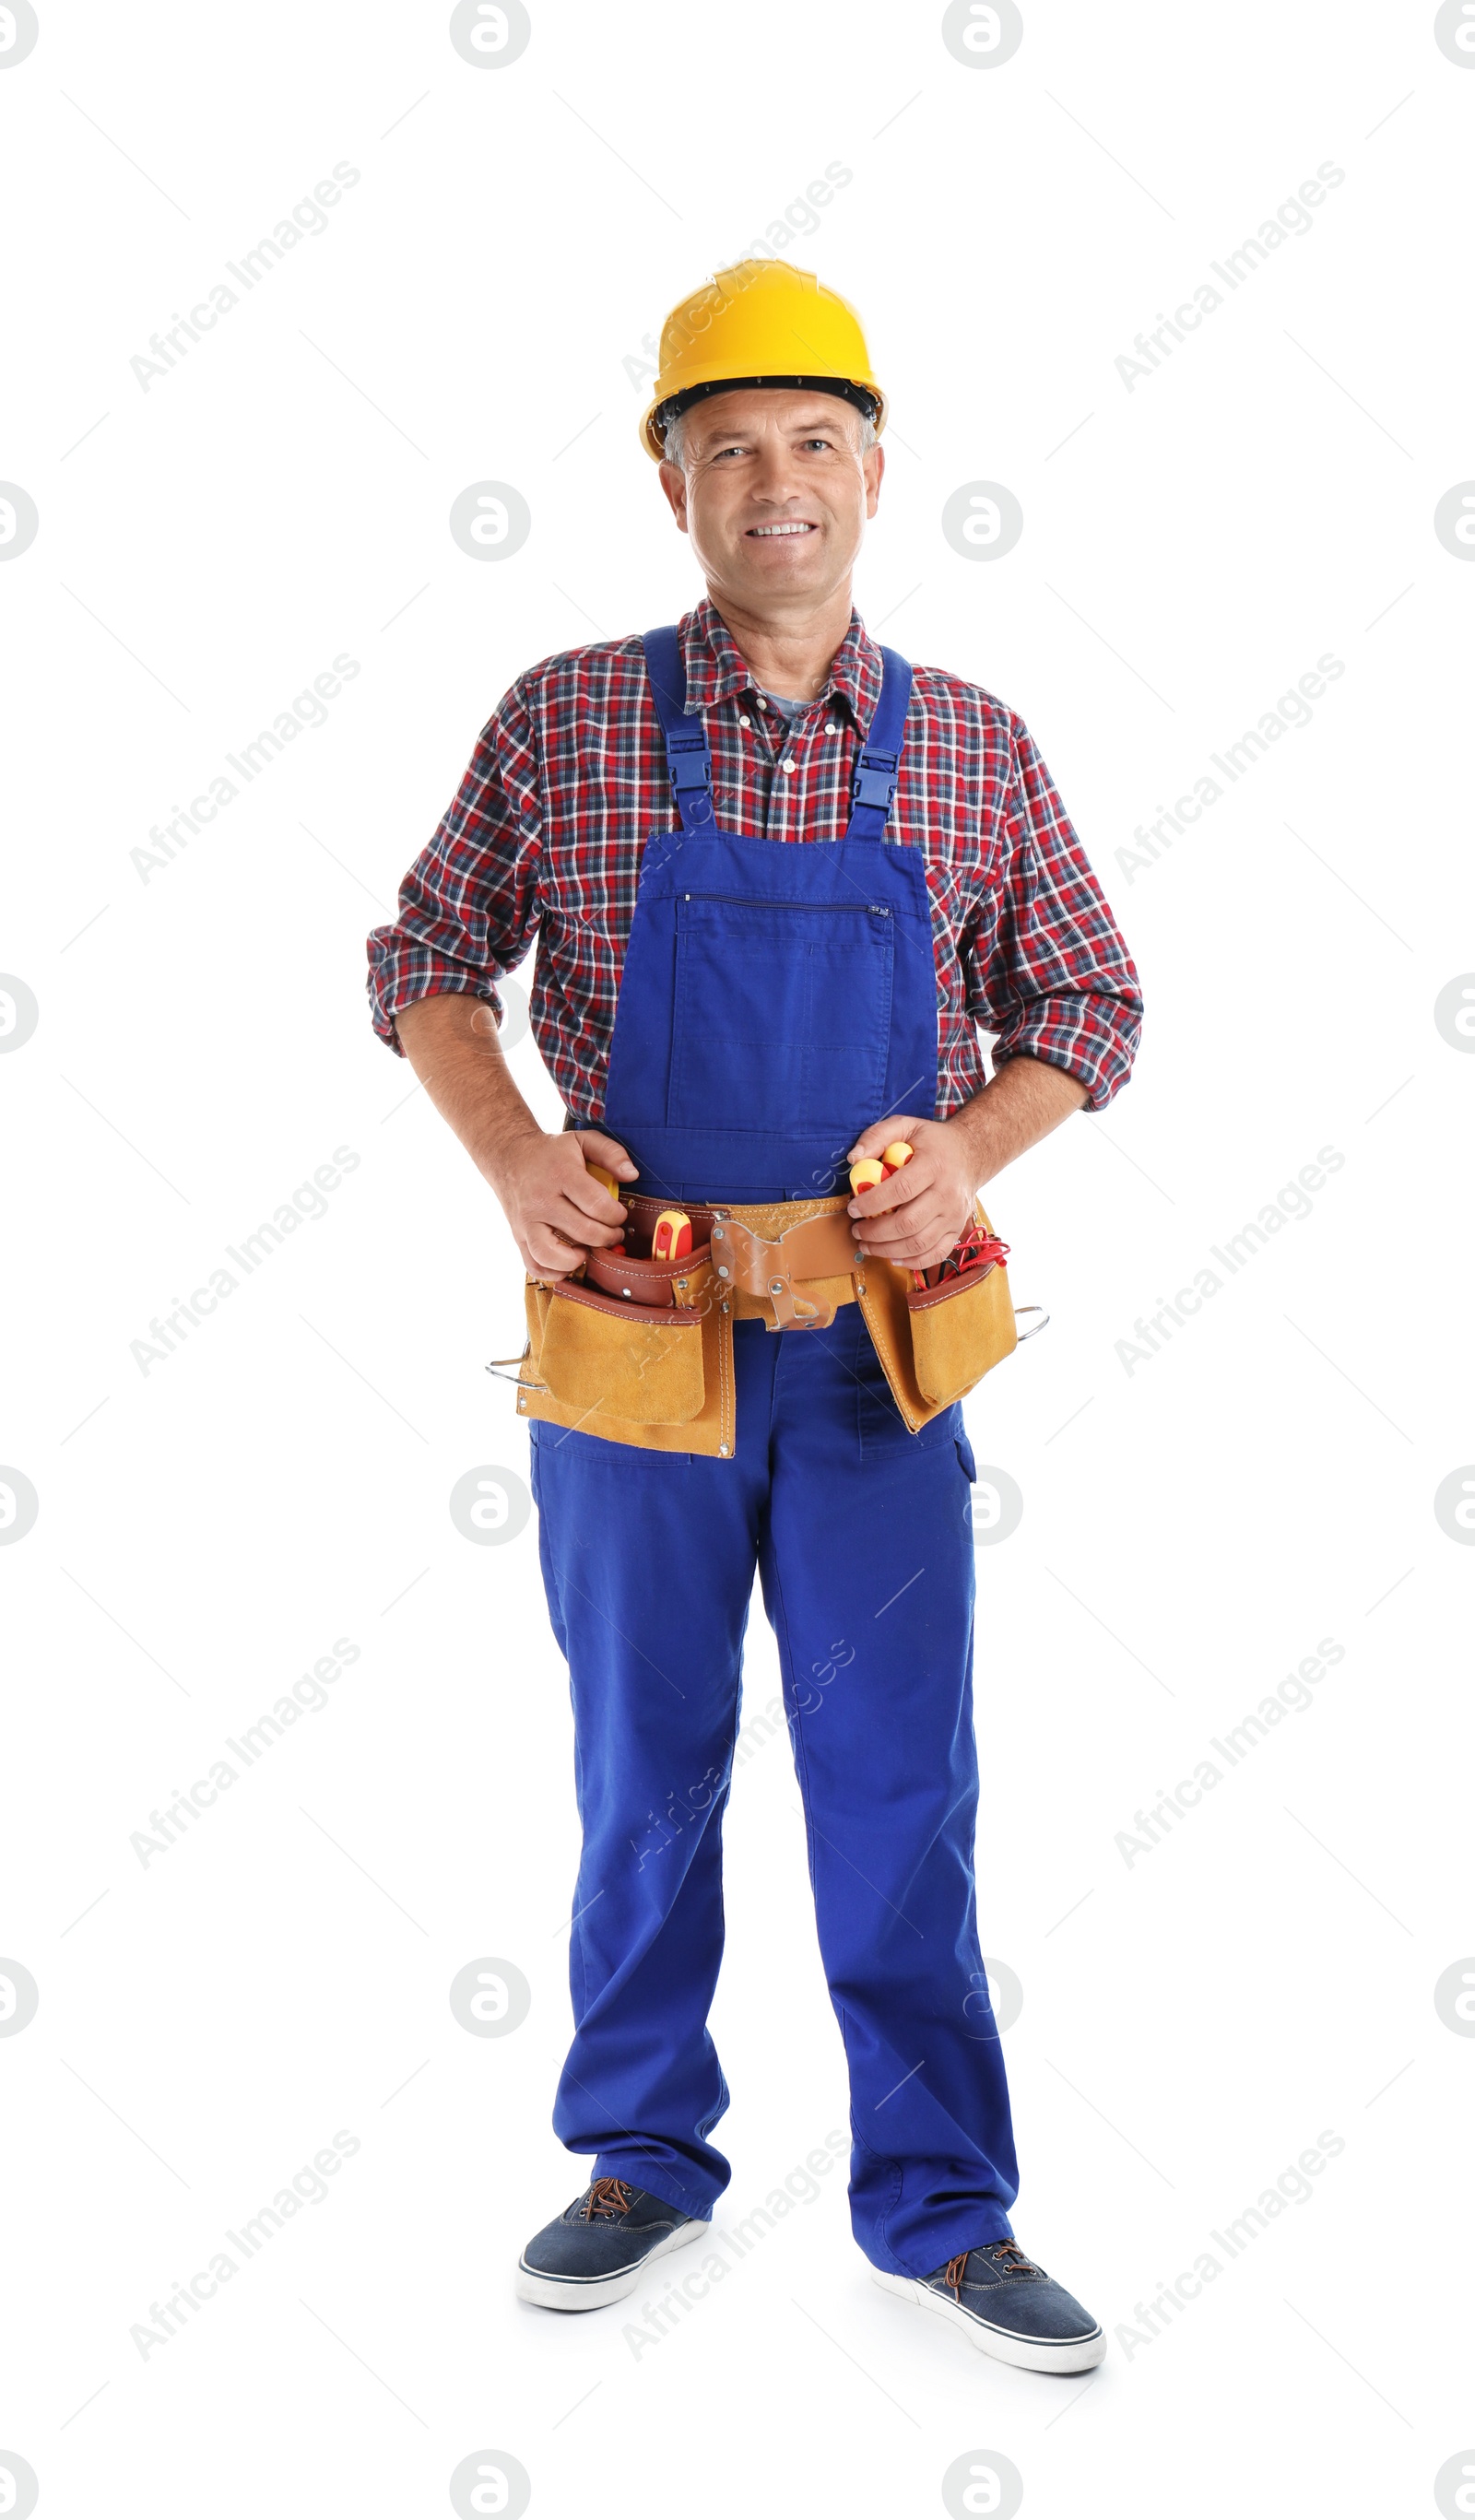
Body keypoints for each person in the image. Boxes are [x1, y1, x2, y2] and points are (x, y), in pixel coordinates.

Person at [366, 259, 1142, 2374]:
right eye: (727, 450)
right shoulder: (565, 719)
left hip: (876, 1364)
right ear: (668, 484)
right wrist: (511, 1155)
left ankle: (942, 2205)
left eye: (811, 445)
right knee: (646, 1767)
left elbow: (1090, 999)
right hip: (635, 1341)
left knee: (899, 1776)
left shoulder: (972, 747)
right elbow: (424, 953)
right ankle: (640, 2150)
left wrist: (973, 1148)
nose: (772, 486)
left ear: (875, 475)